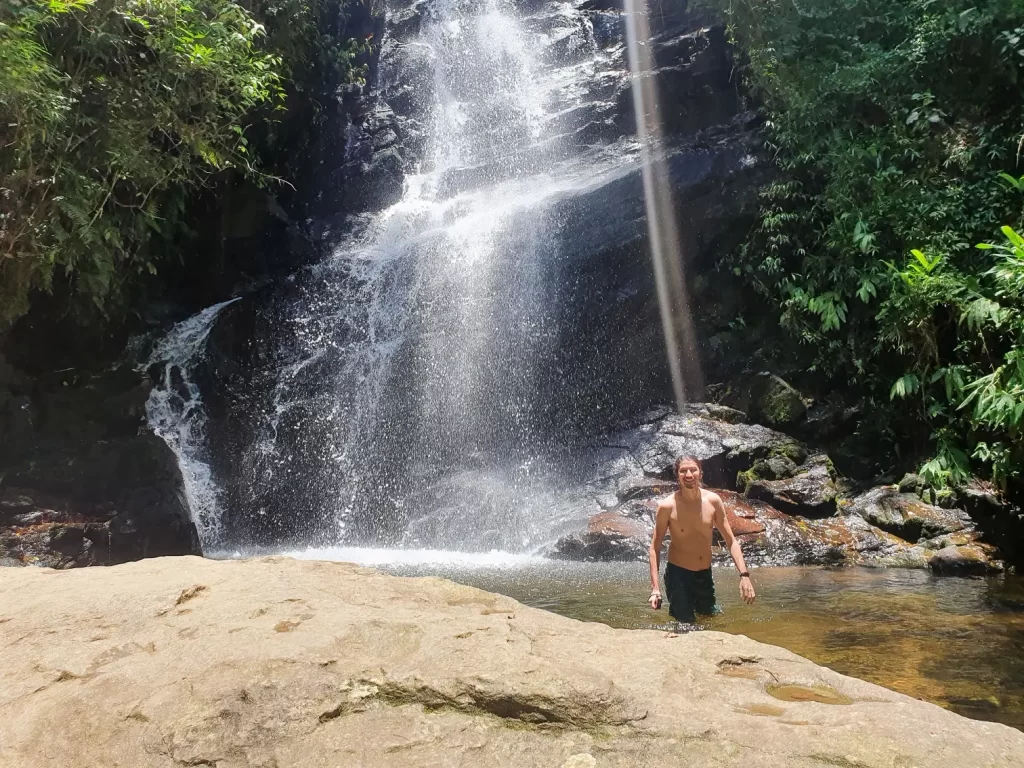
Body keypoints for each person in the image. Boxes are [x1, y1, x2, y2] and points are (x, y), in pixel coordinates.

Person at [648, 455, 756, 624]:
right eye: (683, 471)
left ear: (700, 473)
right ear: (677, 475)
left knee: (710, 620)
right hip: (678, 576)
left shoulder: (713, 501)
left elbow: (731, 541)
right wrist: (655, 589)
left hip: (704, 575)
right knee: (686, 624)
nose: (688, 474)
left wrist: (744, 575)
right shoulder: (667, 506)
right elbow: (654, 547)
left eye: (693, 470)